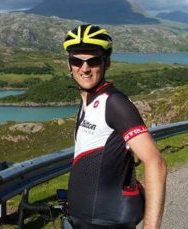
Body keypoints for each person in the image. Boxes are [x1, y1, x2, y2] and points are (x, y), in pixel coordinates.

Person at [63, 24, 167, 229]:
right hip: (81, 220)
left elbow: (156, 163)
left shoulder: (114, 103)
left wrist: (151, 227)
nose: (84, 68)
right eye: (77, 60)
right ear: (69, 64)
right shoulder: (88, 101)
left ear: (106, 63)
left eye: (93, 61)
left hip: (107, 222)